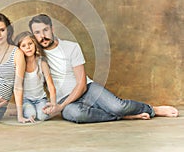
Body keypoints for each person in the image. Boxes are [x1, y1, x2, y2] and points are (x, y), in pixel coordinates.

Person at [28, 13, 179, 123]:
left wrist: (61, 106)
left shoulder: (71, 47)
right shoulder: (36, 57)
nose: (43, 36)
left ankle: (152, 109)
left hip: (88, 89)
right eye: (37, 33)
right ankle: (124, 117)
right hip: (65, 100)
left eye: (45, 30)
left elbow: (81, 84)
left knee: (118, 106)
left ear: (52, 29)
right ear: (33, 36)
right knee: (77, 115)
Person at [14, 31, 56, 122]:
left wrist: (53, 104)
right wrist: (19, 113)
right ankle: (23, 111)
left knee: (42, 116)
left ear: (35, 44)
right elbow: (17, 87)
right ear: (19, 49)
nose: (28, 47)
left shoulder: (42, 62)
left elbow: (50, 85)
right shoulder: (19, 65)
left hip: (41, 99)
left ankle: (39, 110)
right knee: (31, 114)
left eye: (30, 44)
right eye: (23, 46)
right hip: (26, 100)